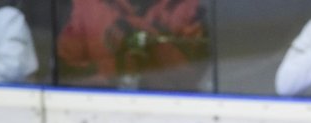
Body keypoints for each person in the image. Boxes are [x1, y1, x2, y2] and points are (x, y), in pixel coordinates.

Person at [56, 0, 209, 91]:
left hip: (170, 120)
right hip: (98, 118)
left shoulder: (190, 7)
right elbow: (63, 76)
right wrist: (114, 70)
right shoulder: (86, 5)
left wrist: (146, 34)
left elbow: (191, 77)